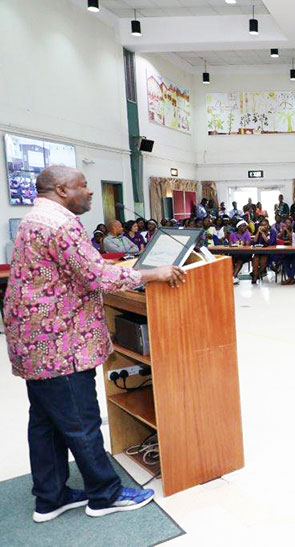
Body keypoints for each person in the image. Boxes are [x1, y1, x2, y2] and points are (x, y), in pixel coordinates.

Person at [3, 166, 185, 522]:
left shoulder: (34, 218)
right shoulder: (61, 224)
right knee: (80, 420)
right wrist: (153, 272)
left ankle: (50, 496)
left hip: (32, 340)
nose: (89, 191)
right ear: (60, 189)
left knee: (45, 421)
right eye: (82, 185)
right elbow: (96, 276)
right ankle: (105, 494)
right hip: (59, 343)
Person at [251, 218, 273, 284]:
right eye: (262, 225)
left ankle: (256, 274)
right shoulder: (259, 231)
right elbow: (254, 241)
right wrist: (258, 232)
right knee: (255, 259)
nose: (263, 226)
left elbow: (270, 242)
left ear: (268, 225)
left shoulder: (272, 231)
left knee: (263, 261)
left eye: (265, 225)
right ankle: (255, 276)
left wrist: (263, 233)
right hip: (259, 251)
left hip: (269, 252)